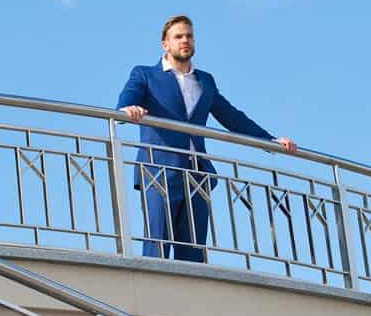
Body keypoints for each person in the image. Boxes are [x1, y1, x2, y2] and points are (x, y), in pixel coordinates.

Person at [116, 15, 297, 262]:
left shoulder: (205, 80)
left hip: (197, 174)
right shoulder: (145, 75)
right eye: (178, 36)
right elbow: (127, 99)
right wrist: (128, 110)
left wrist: (269, 140)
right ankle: (154, 294)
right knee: (157, 244)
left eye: (189, 35)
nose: (185, 40)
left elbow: (231, 116)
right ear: (165, 44)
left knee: (193, 253)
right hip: (159, 172)